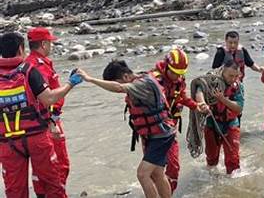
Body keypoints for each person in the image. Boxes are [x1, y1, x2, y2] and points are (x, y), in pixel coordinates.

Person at [77, 61, 176, 198]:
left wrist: (90, 79)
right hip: (157, 134)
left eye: (119, 82)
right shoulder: (141, 77)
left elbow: (118, 88)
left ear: (125, 77)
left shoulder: (142, 84)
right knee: (157, 173)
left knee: (142, 174)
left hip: (162, 135)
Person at [0, 32, 81, 198]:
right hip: (37, 138)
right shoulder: (29, 71)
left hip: (8, 142)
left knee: (14, 190)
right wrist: (70, 84)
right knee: (53, 183)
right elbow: (49, 99)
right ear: (21, 49)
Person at [151, 48, 208, 193]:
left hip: (170, 130)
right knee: (156, 169)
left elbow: (182, 96)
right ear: (166, 67)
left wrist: (196, 106)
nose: (177, 77)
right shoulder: (152, 81)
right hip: (152, 133)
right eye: (174, 73)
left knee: (174, 166)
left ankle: (168, 193)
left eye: (180, 74)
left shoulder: (179, 79)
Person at [25, 27, 71, 198]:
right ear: (43, 44)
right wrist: (53, 121)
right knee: (59, 166)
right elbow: (45, 98)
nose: (51, 46)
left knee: (41, 168)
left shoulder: (29, 64)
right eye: (50, 42)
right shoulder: (38, 66)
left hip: (38, 122)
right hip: (49, 121)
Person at [195, 60, 244, 174]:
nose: (233, 79)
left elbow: (239, 108)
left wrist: (222, 99)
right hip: (213, 122)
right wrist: (202, 103)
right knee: (211, 159)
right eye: (230, 76)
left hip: (231, 123)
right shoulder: (212, 81)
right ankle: (212, 180)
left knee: (233, 161)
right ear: (223, 72)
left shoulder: (238, 86)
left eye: (236, 76)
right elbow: (199, 89)